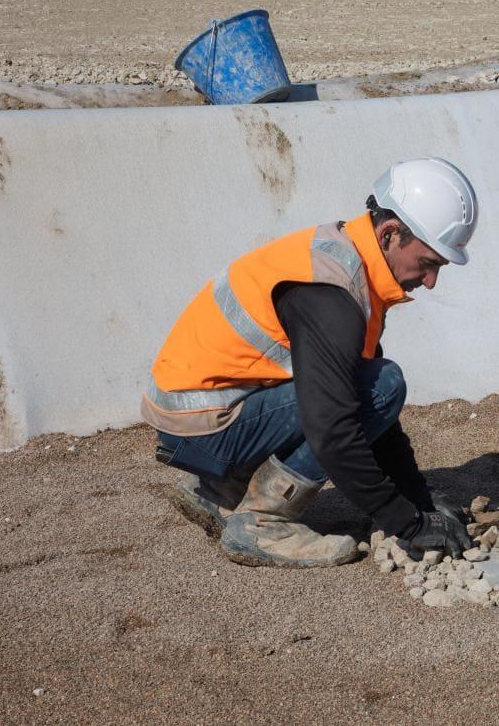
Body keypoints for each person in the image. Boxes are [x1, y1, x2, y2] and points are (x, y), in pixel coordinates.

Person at [142, 158, 478, 567]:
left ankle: (219, 489)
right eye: (427, 264)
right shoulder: (330, 297)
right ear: (390, 234)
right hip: (203, 425)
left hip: (206, 407)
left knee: (372, 383)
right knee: (383, 384)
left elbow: (367, 406)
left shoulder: (347, 260)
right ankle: (262, 521)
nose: (430, 282)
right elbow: (336, 430)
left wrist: (416, 498)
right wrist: (406, 523)